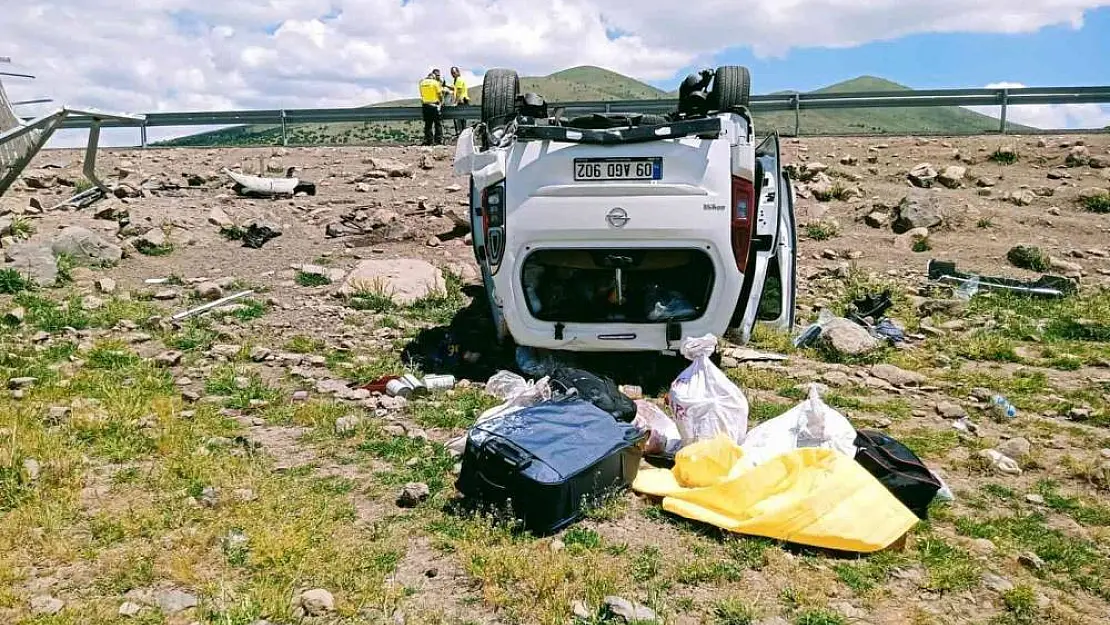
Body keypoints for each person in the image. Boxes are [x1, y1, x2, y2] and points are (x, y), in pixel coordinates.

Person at [419, 69, 444, 145]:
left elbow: (421, 94)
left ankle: (429, 140)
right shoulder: (435, 83)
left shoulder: (422, 83)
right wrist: (441, 102)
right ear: (433, 77)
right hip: (434, 105)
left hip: (425, 105)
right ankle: (438, 140)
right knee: (437, 123)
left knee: (428, 124)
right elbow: (439, 94)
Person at [450, 66, 469, 136]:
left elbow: (459, 91)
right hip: (461, 101)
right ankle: (461, 134)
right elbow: (454, 88)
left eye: (454, 72)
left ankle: (462, 134)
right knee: (460, 119)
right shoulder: (456, 80)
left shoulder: (459, 80)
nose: (453, 74)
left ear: (457, 72)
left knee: (461, 119)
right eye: (452, 73)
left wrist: (455, 102)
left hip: (462, 100)